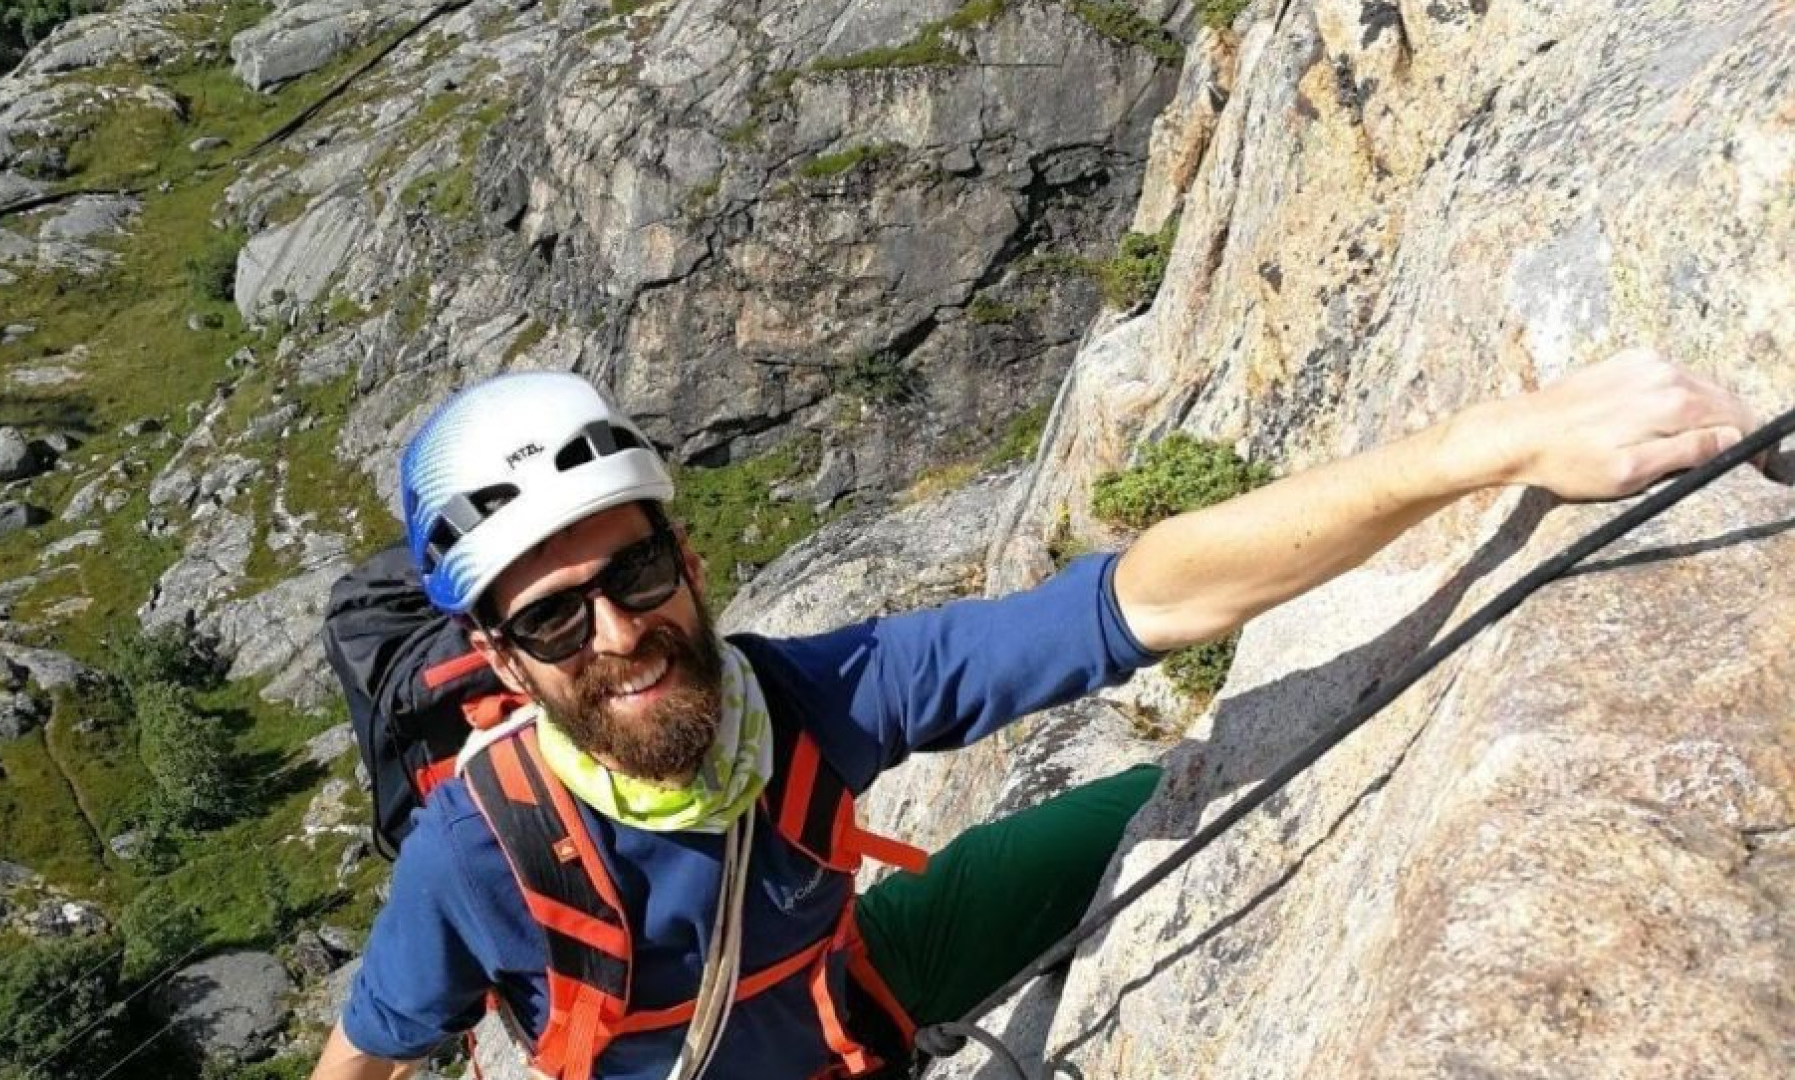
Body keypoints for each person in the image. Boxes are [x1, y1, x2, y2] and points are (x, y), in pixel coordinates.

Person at [310, 351, 1760, 1080]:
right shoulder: (479, 852)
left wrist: (1488, 444)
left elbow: (1137, 602)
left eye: (632, 571)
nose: (619, 634)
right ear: (506, 663)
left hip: (857, 997)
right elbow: (365, 1058)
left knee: (1200, 795)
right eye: (556, 616)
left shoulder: (806, 702)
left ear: (689, 559)